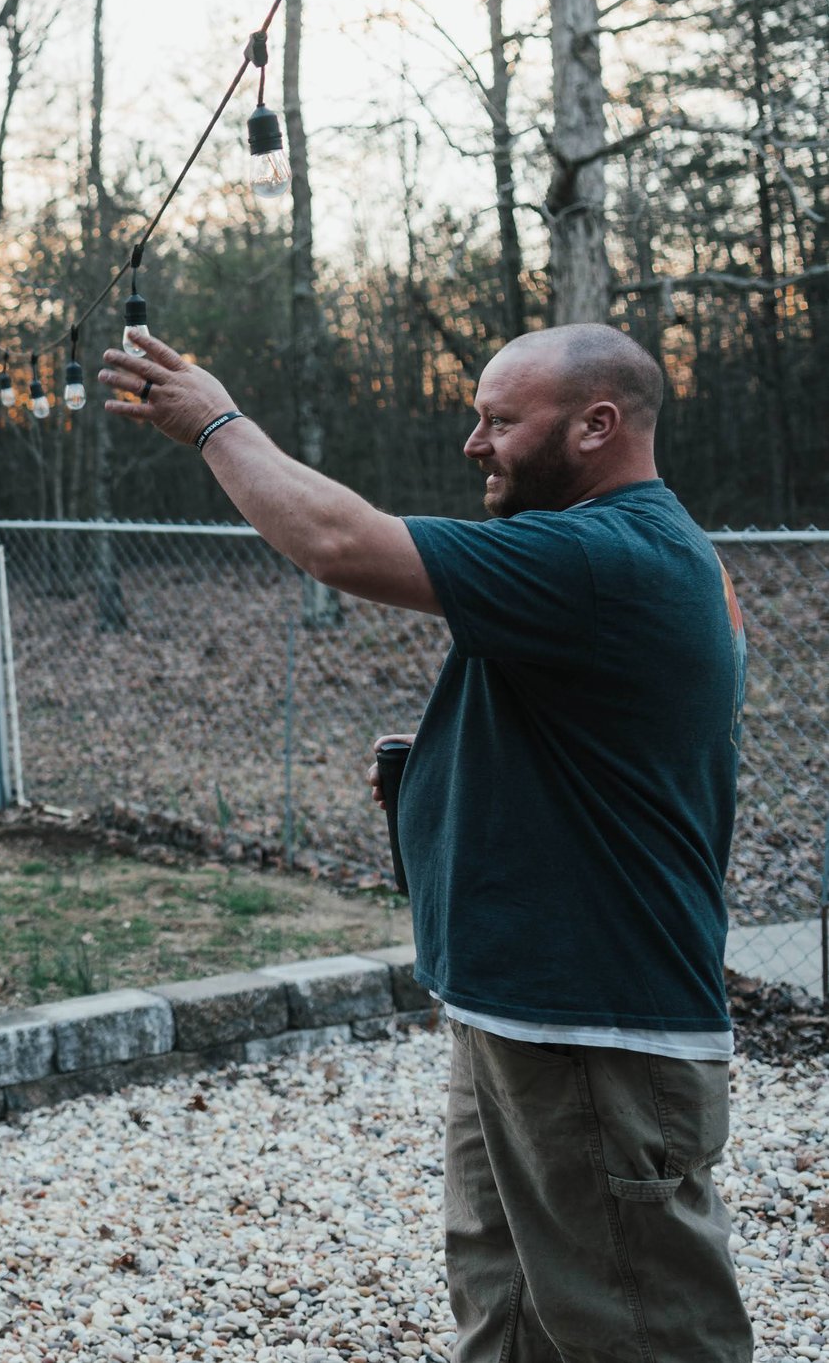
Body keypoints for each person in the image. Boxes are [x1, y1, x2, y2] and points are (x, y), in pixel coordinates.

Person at [100, 323, 750, 1363]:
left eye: (498, 419)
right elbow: (612, 737)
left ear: (597, 425)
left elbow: (339, 543)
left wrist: (214, 421)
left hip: (598, 1029)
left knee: (637, 1331)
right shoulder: (616, 550)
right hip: (525, 1014)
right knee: (505, 1310)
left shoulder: (607, 554)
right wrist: (444, 765)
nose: (472, 442)